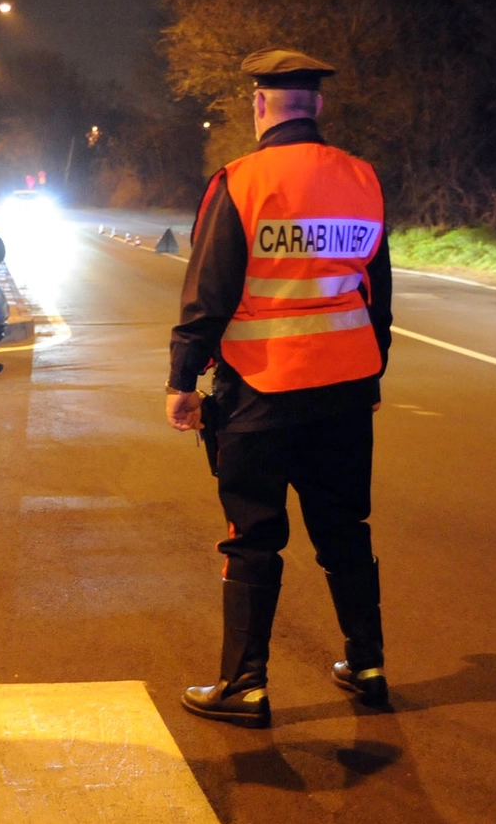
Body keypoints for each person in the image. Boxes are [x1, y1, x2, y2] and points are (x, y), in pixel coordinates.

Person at [166, 48, 393, 729]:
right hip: (346, 390)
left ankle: (245, 683)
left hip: (262, 389)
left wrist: (182, 378)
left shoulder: (241, 179)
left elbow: (209, 292)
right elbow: (377, 293)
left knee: (253, 534)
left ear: (259, 104)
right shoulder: (363, 179)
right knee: (345, 528)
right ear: (317, 105)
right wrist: (373, 371)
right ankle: (369, 664)